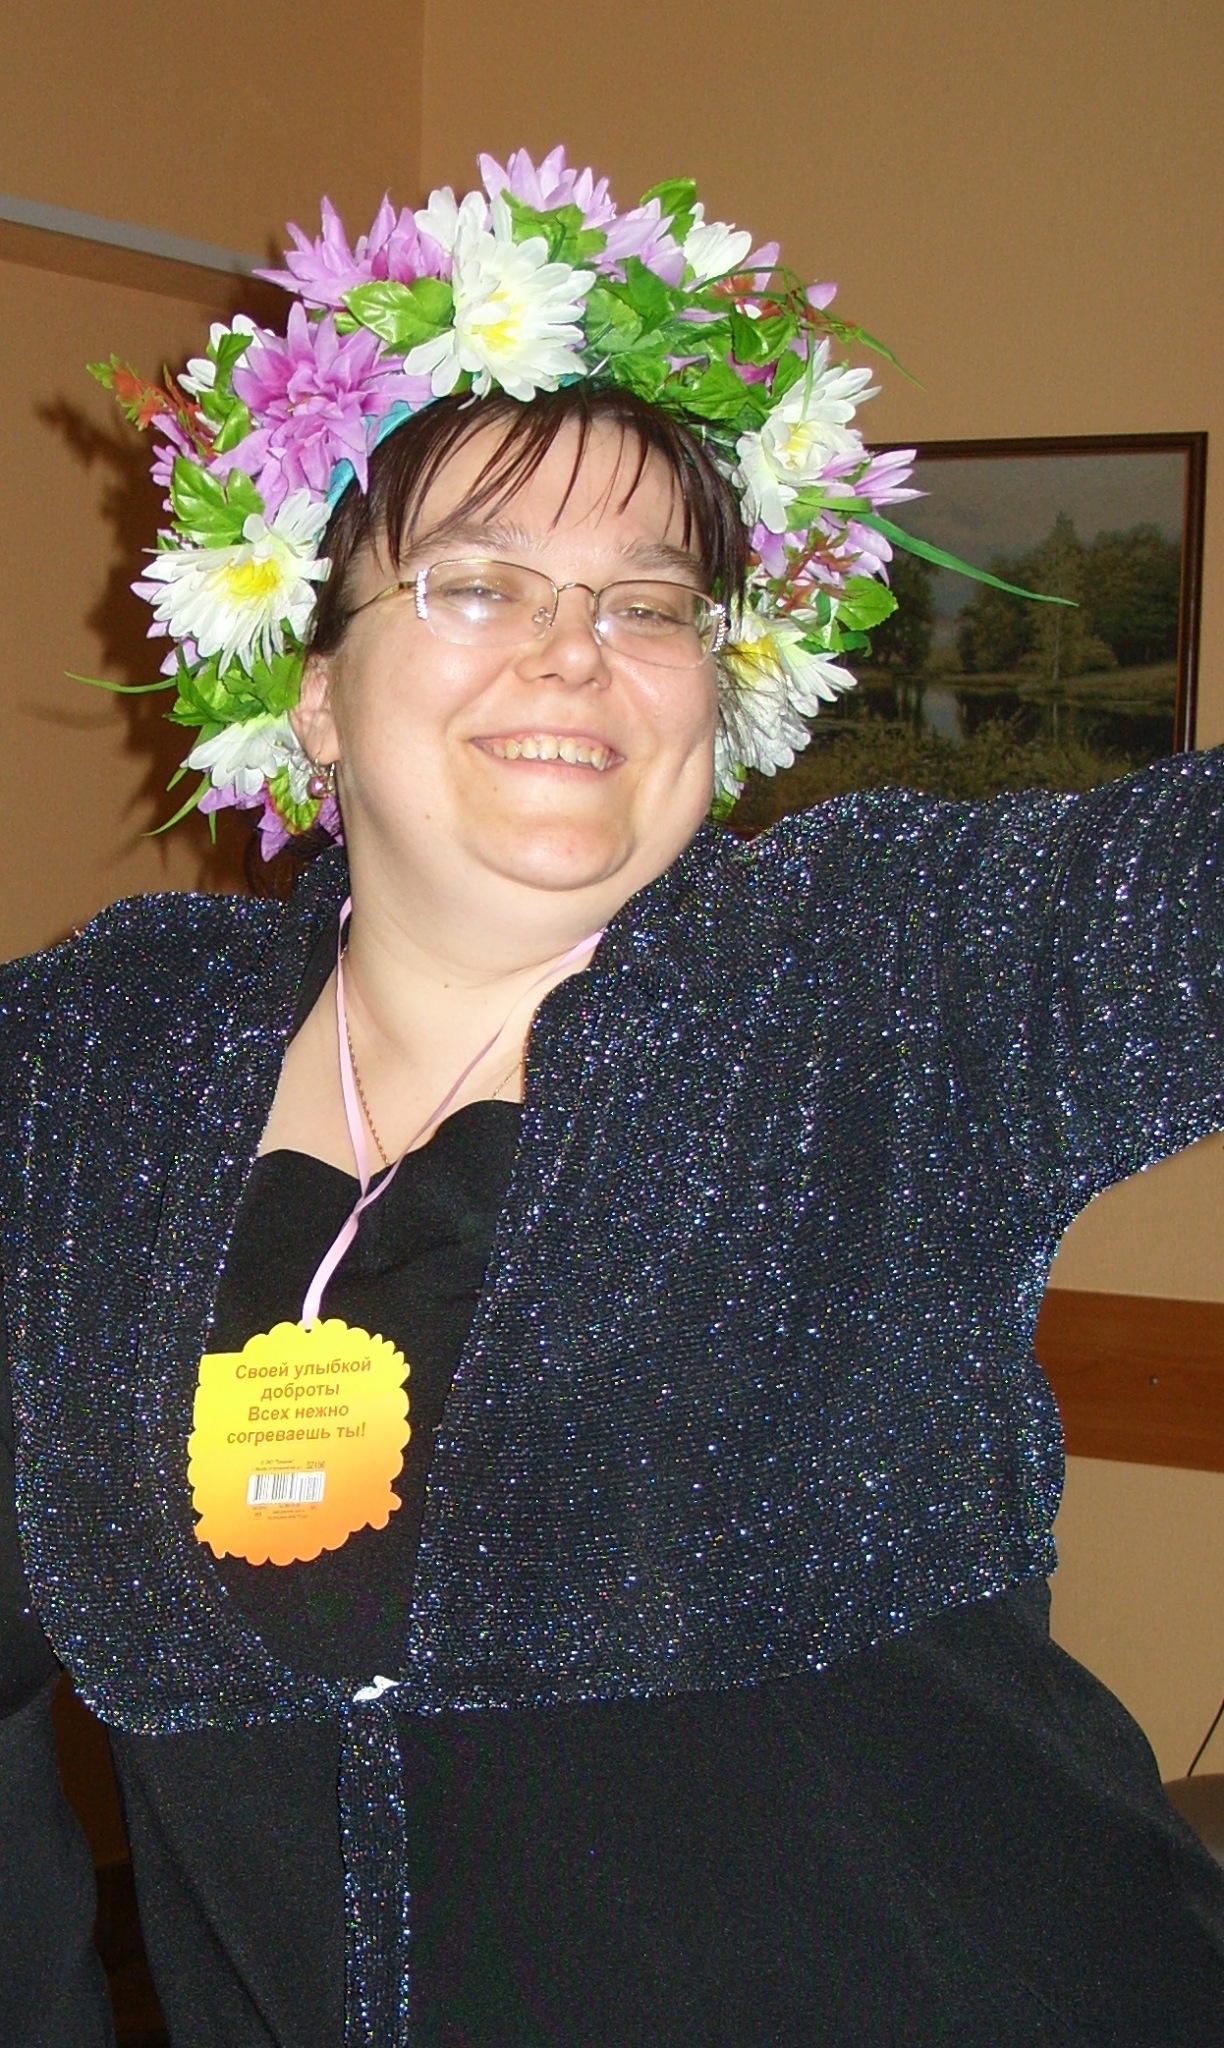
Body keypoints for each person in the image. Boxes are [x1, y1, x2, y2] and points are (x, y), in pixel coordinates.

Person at [3, 147, 1224, 2048]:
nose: (576, 649)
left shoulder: (874, 982)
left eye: (652, 606)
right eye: (476, 582)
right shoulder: (89, 1069)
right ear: (313, 688)